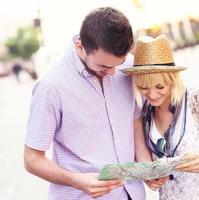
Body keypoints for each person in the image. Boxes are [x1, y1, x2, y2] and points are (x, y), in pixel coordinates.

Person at [24, 7, 153, 200]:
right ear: (80, 46)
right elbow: (31, 159)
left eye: (119, 63)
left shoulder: (126, 66)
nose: (112, 72)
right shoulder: (51, 87)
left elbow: (134, 122)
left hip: (132, 194)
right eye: (103, 66)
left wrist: (147, 167)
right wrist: (77, 181)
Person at [121, 34, 199, 199]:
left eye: (159, 86)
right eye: (143, 87)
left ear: (172, 79)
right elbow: (147, 163)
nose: (152, 94)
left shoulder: (198, 100)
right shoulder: (146, 112)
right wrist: (151, 176)